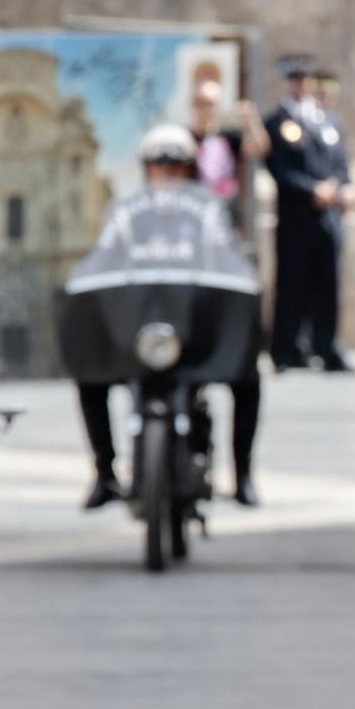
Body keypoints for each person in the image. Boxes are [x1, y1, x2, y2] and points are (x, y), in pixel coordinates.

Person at [76, 125, 263, 509]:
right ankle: (105, 471)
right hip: (139, 330)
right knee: (89, 372)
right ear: (147, 170)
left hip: (193, 326)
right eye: (160, 166)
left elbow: (227, 255)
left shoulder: (210, 212)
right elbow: (104, 255)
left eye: (176, 166)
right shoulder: (125, 214)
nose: (168, 174)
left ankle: (243, 473)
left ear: (189, 170)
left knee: (247, 376)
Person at [264, 53, 355, 372]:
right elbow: (280, 170)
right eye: (295, 79)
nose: (301, 84)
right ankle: (286, 349)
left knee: (328, 284)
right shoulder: (277, 123)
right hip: (297, 216)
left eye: (305, 79)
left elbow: (341, 164)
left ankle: (326, 346)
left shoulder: (327, 121)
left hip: (329, 217)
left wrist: (346, 187)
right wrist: (312, 190)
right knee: (292, 284)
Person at [186, 79, 270, 235]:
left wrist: (251, 120)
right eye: (201, 102)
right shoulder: (184, 138)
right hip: (192, 212)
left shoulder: (228, 137)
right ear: (193, 105)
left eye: (210, 103)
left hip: (224, 212)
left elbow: (259, 148)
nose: (205, 109)